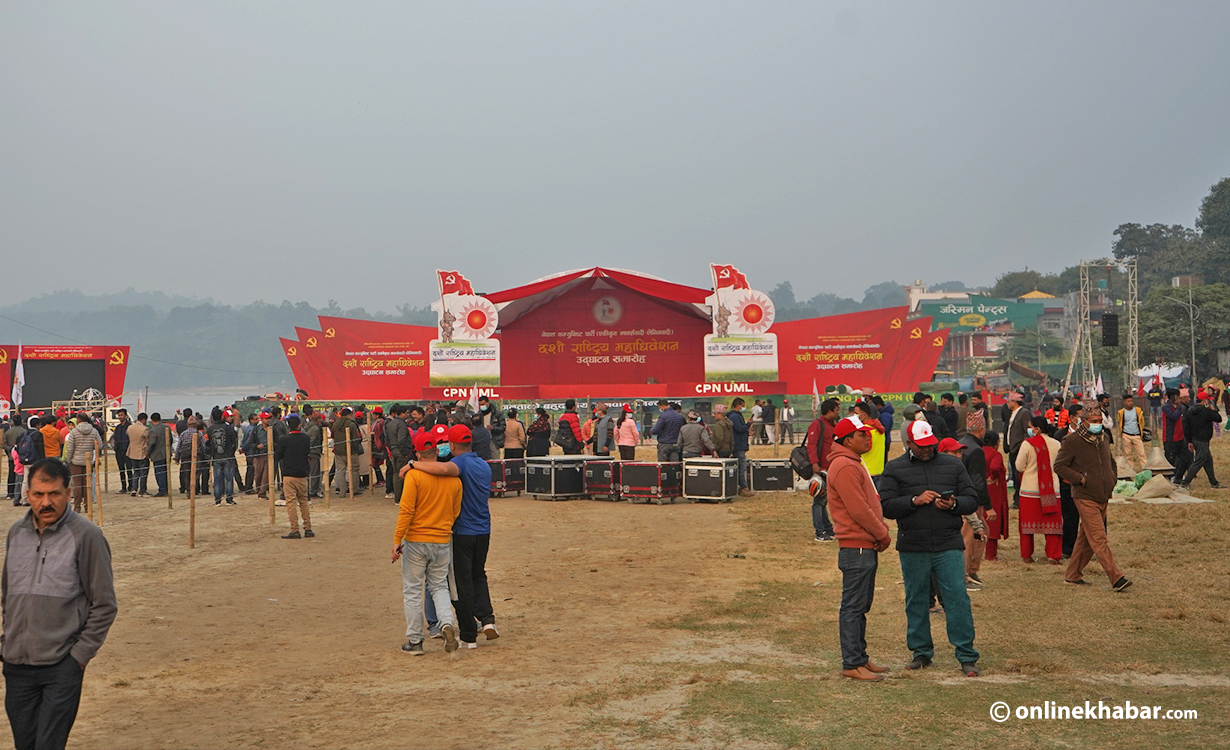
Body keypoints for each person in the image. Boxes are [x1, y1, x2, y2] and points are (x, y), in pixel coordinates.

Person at [2, 458, 117, 750]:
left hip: (61, 666)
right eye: (39, 494)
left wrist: (77, 657)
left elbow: (104, 604)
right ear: (27, 494)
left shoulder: (87, 536)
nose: (46, 502)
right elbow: (8, 596)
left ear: (68, 492)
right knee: (25, 745)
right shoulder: (16, 534)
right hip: (16, 666)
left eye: (54, 493)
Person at [880, 420, 981, 677]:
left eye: (930, 445)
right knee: (916, 600)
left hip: (948, 544)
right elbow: (887, 506)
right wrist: (914, 501)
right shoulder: (894, 468)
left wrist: (955, 504)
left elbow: (972, 499)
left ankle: (966, 655)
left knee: (957, 598)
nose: (927, 450)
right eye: (921, 446)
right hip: (913, 546)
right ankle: (921, 653)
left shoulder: (953, 465)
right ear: (909, 443)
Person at [406, 424, 498, 649]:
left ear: (453, 444)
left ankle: (468, 633)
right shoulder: (484, 465)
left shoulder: (458, 464)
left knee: (460, 583)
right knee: (479, 575)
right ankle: (487, 620)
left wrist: (412, 464)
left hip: (462, 532)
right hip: (483, 530)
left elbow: (442, 470)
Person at [827, 415, 892, 681]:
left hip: (863, 545)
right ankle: (852, 663)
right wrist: (882, 532)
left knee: (860, 605)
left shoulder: (852, 462)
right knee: (853, 606)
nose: (868, 438)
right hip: (857, 547)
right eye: (862, 435)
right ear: (847, 439)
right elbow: (858, 509)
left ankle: (860, 658)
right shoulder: (844, 465)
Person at [392, 430, 463, 655]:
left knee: (413, 590)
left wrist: (397, 540)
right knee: (439, 586)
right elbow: (455, 511)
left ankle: (415, 640)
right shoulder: (453, 479)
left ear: (418, 454)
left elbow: (406, 511)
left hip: (416, 540)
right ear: (436, 451)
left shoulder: (414, 476)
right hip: (442, 539)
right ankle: (446, 623)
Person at [1055, 403, 1130, 591]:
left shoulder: (1103, 438)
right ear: (1084, 421)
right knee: (1098, 538)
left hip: (1103, 494)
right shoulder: (1071, 441)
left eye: (1100, 421)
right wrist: (1080, 479)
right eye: (1094, 421)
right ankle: (1116, 577)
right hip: (1084, 495)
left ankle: (1072, 575)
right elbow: (1060, 466)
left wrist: (1112, 478)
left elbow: (1110, 462)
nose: (1098, 424)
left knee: (1086, 539)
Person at [1015, 416, 1063, 564]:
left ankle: (1027, 555)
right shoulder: (1057, 444)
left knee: (1027, 526)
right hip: (1051, 490)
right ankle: (1053, 556)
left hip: (1030, 491)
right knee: (1052, 525)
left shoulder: (1027, 444)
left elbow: (1019, 466)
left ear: (1037, 429)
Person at [805, 399, 840, 541]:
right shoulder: (817, 425)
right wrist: (815, 464)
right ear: (830, 411)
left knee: (824, 500)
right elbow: (811, 445)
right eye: (837, 410)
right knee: (819, 501)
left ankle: (827, 529)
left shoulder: (832, 425)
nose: (838, 413)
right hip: (821, 469)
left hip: (830, 469)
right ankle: (820, 532)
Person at [276, 415, 314, 539]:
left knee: (291, 503)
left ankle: (294, 529)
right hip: (302, 473)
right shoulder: (305, 438)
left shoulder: (284, 439)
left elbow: (278, 455)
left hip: (289, 473)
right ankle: (308, 528)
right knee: (303, 501)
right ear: (299, 425)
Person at [1177, 390, 1221, 489]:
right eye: (1208, 401)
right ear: (1205, 401)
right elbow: (1218, 418)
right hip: (1203, 440)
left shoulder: (1190, 411)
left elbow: (1186, 427)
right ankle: (1185, 482)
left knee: (1208, 461)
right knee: (1199, 461)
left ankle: (1214, 482)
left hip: (1195, 439)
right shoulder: (1206, 411)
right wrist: (1213, 409)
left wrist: (1189, 441)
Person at [980, 429, 1009, 561]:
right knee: (993, 520)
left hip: (980, 487)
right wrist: (992, 477)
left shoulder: (979, 450)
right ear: (997, 442)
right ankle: (990, 554)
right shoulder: (995, 455)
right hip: (993, 489)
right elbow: (995, 467)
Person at [62, 415, 100, 514]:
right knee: (88, 484)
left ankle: (77, 506)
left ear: (78, 420)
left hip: (76, 461)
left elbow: (70, 449)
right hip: (88, 461)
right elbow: (99, 444)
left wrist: (69, 460)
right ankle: (88, 506)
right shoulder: (94, 431)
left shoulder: (74, 432)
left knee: (77, 484)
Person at [206, 407, 239, 506]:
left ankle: (217, 499)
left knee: (217, 479)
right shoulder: (228, 428)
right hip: (228, 456)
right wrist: (232, 452)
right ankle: (229, 498)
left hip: (216, 456)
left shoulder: (210, 429)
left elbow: (207, 443)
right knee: (229, 478)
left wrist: (210, 454)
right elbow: (234, 441)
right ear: (222, 416)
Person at [1004, 393, 1031, 509]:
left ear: (1014, 402)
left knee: (1019, 475)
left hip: (1019, 449)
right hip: (1012, 449)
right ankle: (1017, 499)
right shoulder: (1012, 414)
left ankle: (1020, 500)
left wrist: (1022, 445)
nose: (1007, 403)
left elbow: (1028, 431)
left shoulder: (1024, 413)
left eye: (1009, 401)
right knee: (1014, 476)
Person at [1162, 389, 1192, 484]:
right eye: (1176, 397)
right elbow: (1174, 417)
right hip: (1170, 438)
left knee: (1186, 458)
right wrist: (1179, 407)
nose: (1178, 399)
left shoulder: (1180, 407)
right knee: (1171, 460)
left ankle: (1178, 477)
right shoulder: (1166, 407)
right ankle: (1170, 477)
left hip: (1180, 437)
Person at [331, 407, 362, 496]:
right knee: (354, 470)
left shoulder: (336, 424)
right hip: (351, 451)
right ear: (349, 415)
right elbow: (355, 439)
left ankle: (342, 492)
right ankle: (354, 490)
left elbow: (333, 436)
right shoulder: (351, 424)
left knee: (341, 471)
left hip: (339, 451)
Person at [854, 401, 886, 486]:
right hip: (879, 470)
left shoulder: (865, 431)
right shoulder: (879, 429)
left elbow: (863, 448)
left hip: (866, 471)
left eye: (856, 413)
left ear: (863, 415)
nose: (854, 416)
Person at [384, 404, 412, 501]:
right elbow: (402, 439)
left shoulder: (390, 424)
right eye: (407, 413)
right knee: (402, 474)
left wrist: (391, 449)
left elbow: (386, 439)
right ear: (402, 413)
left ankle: (397, 497)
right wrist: (405, 452)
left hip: (393, 450)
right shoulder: (401, 424)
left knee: (396, 474)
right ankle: (401, 497)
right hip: (401, 452)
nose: (408, 414)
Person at [1115, 394, 1147, 475]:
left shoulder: (1138, 411)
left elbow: (1142, 422)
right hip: (1126, 435)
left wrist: (1141, 432)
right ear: (1124, 402)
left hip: (1136, 435)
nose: (1130, 403)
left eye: (1131, 401)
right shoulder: (1121, 412)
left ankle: (1146, 469)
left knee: (1142, 454)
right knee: (1128, 455)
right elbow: (1119, 423)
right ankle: (1130, 471)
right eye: (1128, 401)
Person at [146, 413, 172, 498]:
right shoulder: (167, 427)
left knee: (159, 472)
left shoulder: (154, 430)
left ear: (152, 420)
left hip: (157, 454)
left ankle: (162, 490)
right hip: (166, 452)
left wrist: (148, 452)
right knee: (166, 471)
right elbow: (170, 439)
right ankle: (167, 488)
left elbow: (152, 443)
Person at [729, 398, 751, 495]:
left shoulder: (735, 415)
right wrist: (748, 424)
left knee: (740, 467)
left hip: (739, 444)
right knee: (741, 467)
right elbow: (739, 428)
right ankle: (743, 487)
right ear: (738, 405)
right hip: (739, 445)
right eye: (742, 405)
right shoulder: (735, 416)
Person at [126, 413, 151, 497]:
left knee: (135, 472)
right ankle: (142, 490)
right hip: (142, 452)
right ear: (144, 419)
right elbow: (147, 441)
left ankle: (134, 488)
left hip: (132, 452)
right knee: (143, 473)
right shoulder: (145, 429)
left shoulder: (130, 428)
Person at [302, 406, 324, 499]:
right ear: (318, 420)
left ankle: (310, 489)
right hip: (313, 452)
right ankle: (313, 490)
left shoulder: (307, 426)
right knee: (315, 472)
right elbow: (312, 441)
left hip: (307, 452)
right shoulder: (315, 428)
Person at [4, 415, 25, 503]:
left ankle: (10, 493)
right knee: (21, 476)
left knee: (11, 474)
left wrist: (10, 449)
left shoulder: (8, 432)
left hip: (11, 456)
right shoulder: (24, 431)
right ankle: (20, 493)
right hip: (22, 456)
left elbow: (4, 444)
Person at [110, 409, 132, 496]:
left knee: (129, 470)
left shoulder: (129, 426)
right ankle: (123, 487)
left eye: (121, 415)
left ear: (125, 415)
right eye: (119, 415)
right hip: (119, 451)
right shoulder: (118, 427)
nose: (120, 417)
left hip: (127, 451)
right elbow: (115, 438)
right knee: (121, 470)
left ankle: (131, 487)